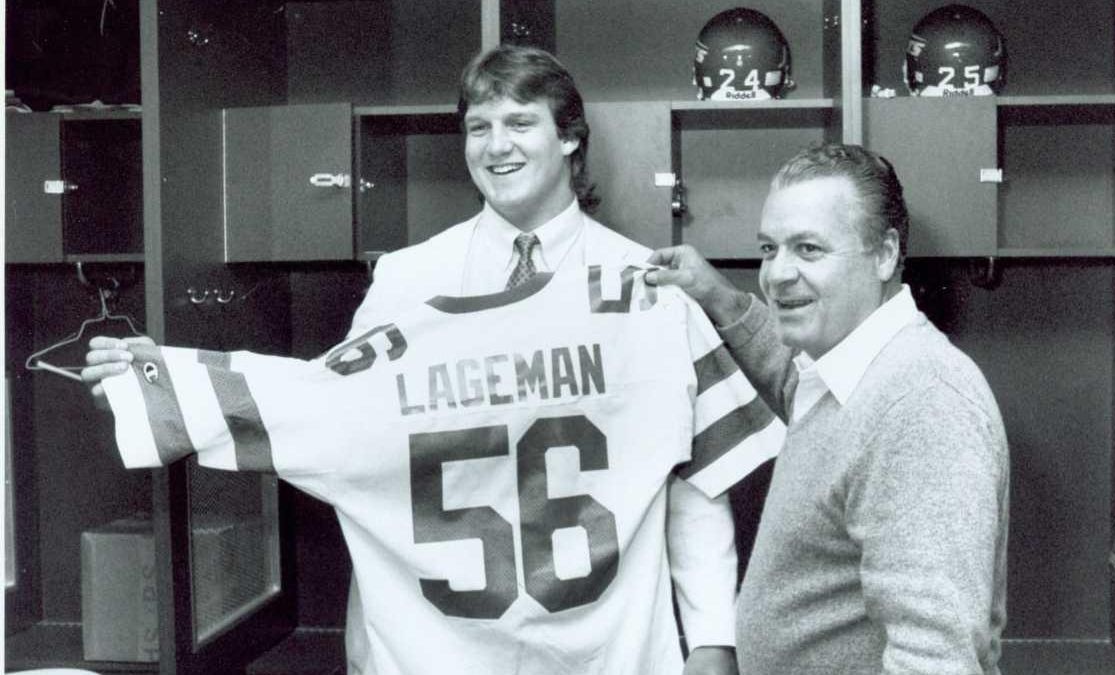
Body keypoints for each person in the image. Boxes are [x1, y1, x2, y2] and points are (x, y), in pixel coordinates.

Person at [83, 45, 742, 674]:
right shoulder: (407, 281)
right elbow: (333, 415)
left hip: (604, 651)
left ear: (570, 137)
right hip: (436, 651)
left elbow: (696, 477)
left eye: (519, 121)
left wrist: (713, 634)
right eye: (478, 126)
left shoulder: (646, 290)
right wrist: (162, 378)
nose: (495, 145)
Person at [645, 143, 1010, 674]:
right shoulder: (847, 372)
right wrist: (716, 295)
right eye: (769, 249)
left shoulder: (922, 404)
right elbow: (791, 380)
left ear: (884, 254)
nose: (776, 274)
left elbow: (934, 659)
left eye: (809, 249)